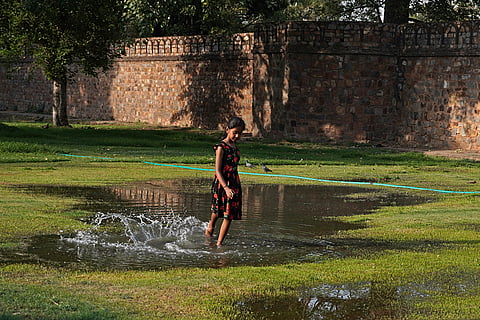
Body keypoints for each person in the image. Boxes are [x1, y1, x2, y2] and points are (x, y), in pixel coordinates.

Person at [205, 117, 245, 246]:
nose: (237, 136)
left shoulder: (235, 148)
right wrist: (226, 187)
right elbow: (217, 170)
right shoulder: (221, 147)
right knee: (217, 211)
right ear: (227, 130)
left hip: (234, 184)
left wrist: (232, 187)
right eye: (235, 132)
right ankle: (211, 226)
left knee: (229, 215)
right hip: (222, 183)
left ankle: (219, 244)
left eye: (240, 133)